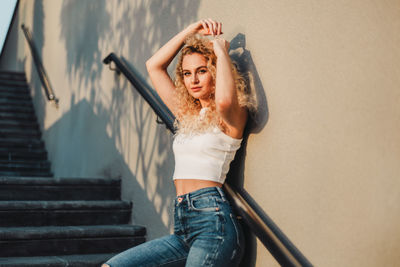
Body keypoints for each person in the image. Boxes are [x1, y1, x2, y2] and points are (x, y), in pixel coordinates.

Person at [103, 18, 254, 267]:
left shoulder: (232, 115)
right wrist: (191, 30)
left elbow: (225, 101)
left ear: (215, 71)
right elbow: (154, 66)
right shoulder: (188, 116)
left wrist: (220, 51)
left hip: (213, 224)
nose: (193, 79)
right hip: (183, 225)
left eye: (202, 71)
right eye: (187, 73)